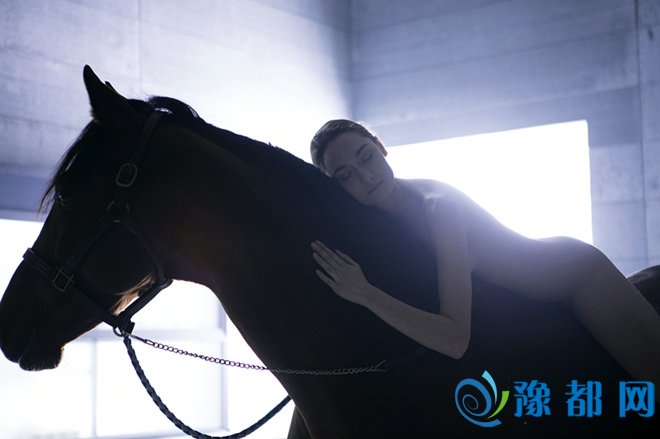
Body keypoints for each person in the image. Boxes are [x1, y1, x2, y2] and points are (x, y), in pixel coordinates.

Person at [309, 119, 660, 387]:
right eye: (347, 175)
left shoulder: (439, 208)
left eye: (367, 157)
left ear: (381, 147)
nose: (366, 176)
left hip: (580, 278)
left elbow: (455, 339)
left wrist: (365, 293)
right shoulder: (382, 225)